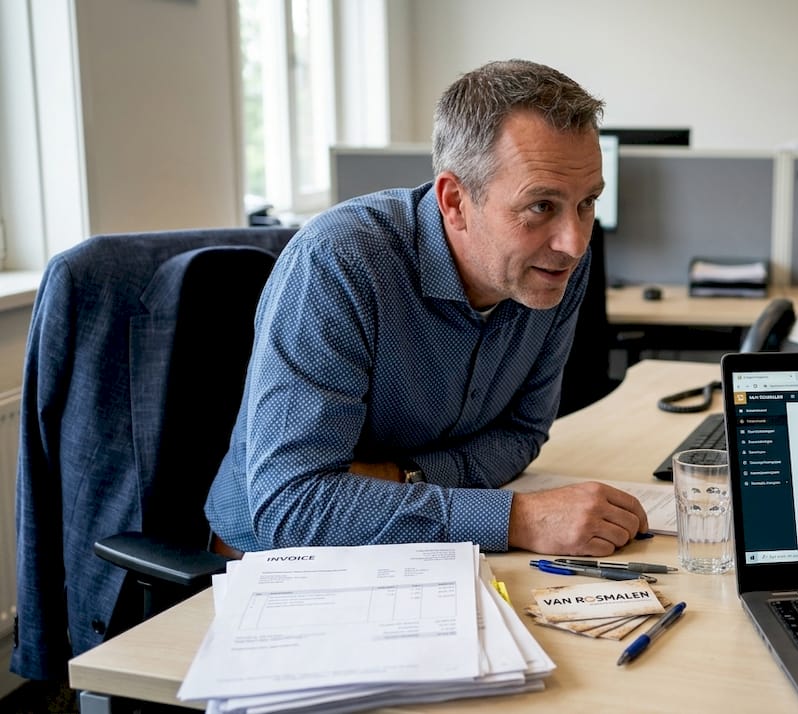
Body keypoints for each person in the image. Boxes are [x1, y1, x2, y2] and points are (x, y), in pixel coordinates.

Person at [204, 59, 648, 558]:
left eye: (586, 202)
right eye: (541, 206)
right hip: (273, 568)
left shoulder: (554, 266)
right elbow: (294, 508)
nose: (573, 242)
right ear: (455, 201)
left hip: (428, 558)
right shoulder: (339, 262)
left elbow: (522, 434)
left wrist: (400, 478)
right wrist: (517, 518)